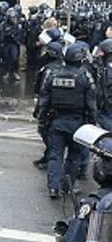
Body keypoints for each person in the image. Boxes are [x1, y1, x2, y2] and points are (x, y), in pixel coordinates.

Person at [37, 42, 97, 199]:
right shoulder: (85, 77)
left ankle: (53, 188)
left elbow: (44, 99)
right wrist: (92, 123)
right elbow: (91, 104)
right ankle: (66, 186)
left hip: (57, 121)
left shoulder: (53, 75)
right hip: (78, 122)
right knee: (74, 156)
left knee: (55, 155)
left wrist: (42, 120)